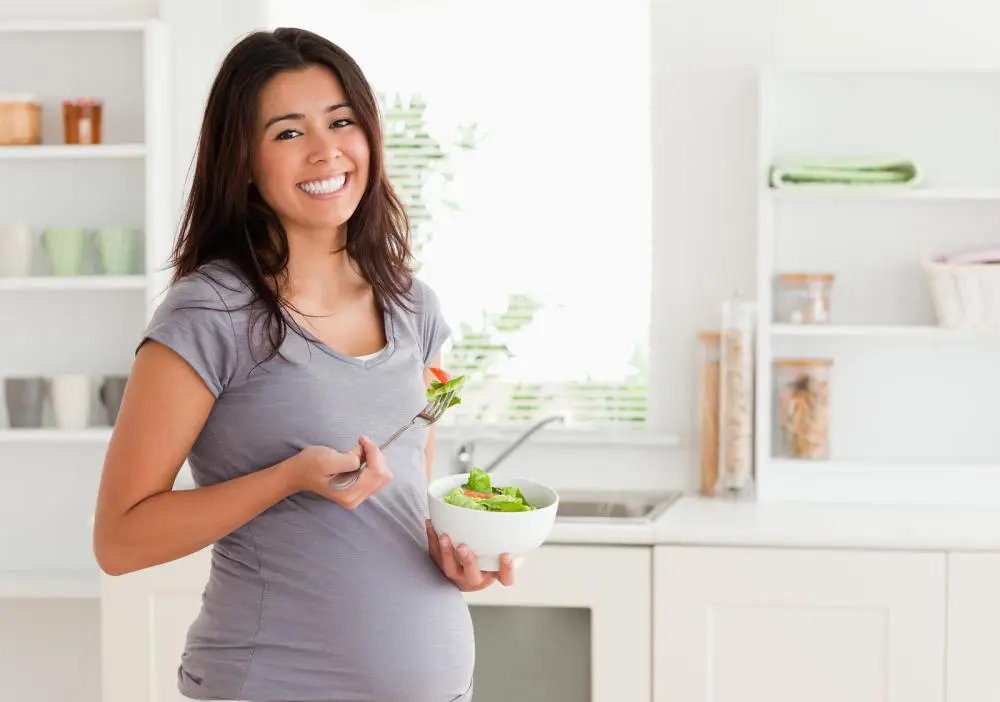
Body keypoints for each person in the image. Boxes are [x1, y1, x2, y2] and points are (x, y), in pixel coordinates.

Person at [92, 27, 514, 702]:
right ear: (245, 163)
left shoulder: (413, 308)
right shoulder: (211, 315)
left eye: (342, 121)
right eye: (288, 133)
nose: (326, 150)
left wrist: (454, 556)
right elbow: (119, 541)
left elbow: (406, 496)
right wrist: (286, 478)